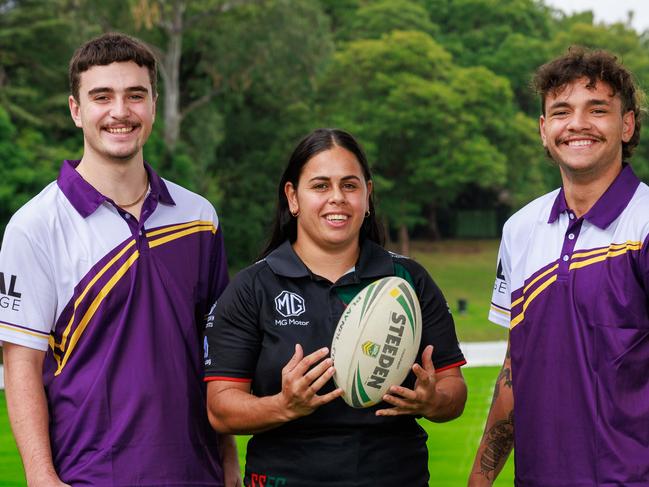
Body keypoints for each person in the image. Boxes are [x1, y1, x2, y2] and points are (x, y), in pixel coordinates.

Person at [0, 32, 240, 486]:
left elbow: (216, 357)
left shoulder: (198, 218)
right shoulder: (34, 226)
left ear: (152, 104)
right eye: (101, 96)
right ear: (76, 110)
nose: (120, 112)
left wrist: (229, 465)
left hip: (198, 475)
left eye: (135, 95)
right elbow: (21, 363)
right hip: (89, 477)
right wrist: (40, 478)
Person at [203, 128, 467, 486]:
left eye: (349, 185)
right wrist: (284, 404)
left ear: (368, 196)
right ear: (292, 197)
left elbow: (454, 390)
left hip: (395, 476)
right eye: (321, 186)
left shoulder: (407, 280)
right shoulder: (253, 288)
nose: (337, 198)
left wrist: (432, 401)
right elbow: (221, 408)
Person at [468, 47, 647, 486]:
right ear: (544, 130)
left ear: (627, 125)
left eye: (598, 109)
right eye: (561, 111)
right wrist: (480, 478)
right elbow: (517, 365)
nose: (578, 124)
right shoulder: (519, 229)